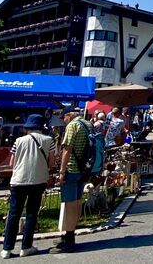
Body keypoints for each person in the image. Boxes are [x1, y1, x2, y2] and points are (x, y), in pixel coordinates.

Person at [1, 114, 55, 259]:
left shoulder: (18, 141)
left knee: (14, 213)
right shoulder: (49, 140)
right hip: (38, 180)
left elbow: (12, 162)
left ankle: (7, 248)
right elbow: (51, 162)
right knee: (32, 213)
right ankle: (26, 246)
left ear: (28, 127)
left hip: (19, 180)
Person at [50, 108, 92, 254]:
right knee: (78, 201)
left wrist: (61, 171)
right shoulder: (87, 123)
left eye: (63, 118)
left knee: (69, 204)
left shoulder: (73, 126)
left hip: (72, 168)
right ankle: (70, 233)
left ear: (69, 115)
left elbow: (67, 148)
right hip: (85, 169)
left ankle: (69, 239)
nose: (63, 121)